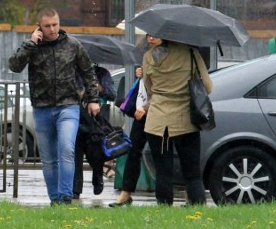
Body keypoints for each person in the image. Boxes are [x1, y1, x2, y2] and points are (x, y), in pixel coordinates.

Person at [8, 8, 101, 205]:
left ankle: (66, 196)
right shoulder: (32, 47)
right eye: (48, 26)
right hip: (42, 107)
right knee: (48, 158)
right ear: (39, 27)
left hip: (68, 106)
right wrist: (31, 43)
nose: (52, 29)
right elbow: (14, 66)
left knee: (66, 148)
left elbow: (88, 73)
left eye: (55, 24)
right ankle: (55, 199)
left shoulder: (73, 45)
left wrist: (93, 99)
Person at [142, 35, 212, 206]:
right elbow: (208, 87)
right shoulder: (191, 53)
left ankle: (164, 209)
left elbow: (148, 87)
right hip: (185, 121)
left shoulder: (149, 57)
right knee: (192, 172)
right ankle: (197, 207)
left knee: (163, 171)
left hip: (158, 122)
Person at [73, 65, 116, 198]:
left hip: (97, 119)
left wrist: (100, 90)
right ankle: (76, 189)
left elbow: (112, 94)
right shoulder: (73, 71)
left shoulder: (102, 73)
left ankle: (97, 180)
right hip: (78, 116)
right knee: (76, 152)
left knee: (96, 152)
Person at [110, 62, 147, 207]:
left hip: (159, 112)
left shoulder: (172, 53)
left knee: (162, 154)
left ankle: (167, 198)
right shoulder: (148, 53)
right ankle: (125, 193)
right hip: (141, 113)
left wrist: (148, 73)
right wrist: (141, 71)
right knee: (133, 152)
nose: (151, 38)